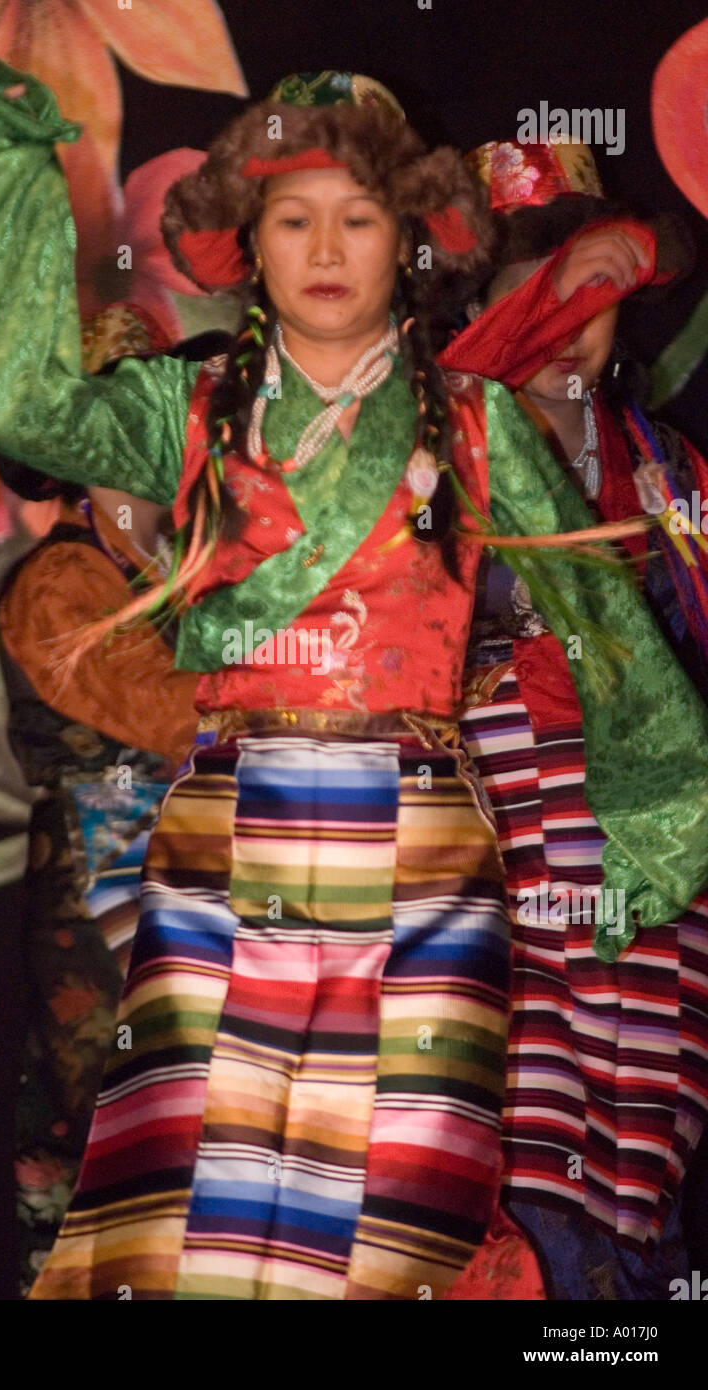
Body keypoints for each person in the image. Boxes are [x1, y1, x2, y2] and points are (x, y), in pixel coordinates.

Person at [0, 54, 708, 1300]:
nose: (328, 246)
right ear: (250, 240)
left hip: (422, 856)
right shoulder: (184, 410)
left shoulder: (474, 421)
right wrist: (5, 169)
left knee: (399, 1218)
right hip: (225, 844)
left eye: (360, 216)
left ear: (410, 237)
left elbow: (609, 634)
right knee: (197, 1216)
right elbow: (12, 397)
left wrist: (654, 839)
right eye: (295, 217)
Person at [440, 138, 708, 1297]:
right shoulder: (440, 453)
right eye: (537, 301)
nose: (564, 327)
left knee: (640, 1125)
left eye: (595, 301)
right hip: (502, 823)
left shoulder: (669, 468)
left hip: (651, 840)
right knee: (517, 1114)